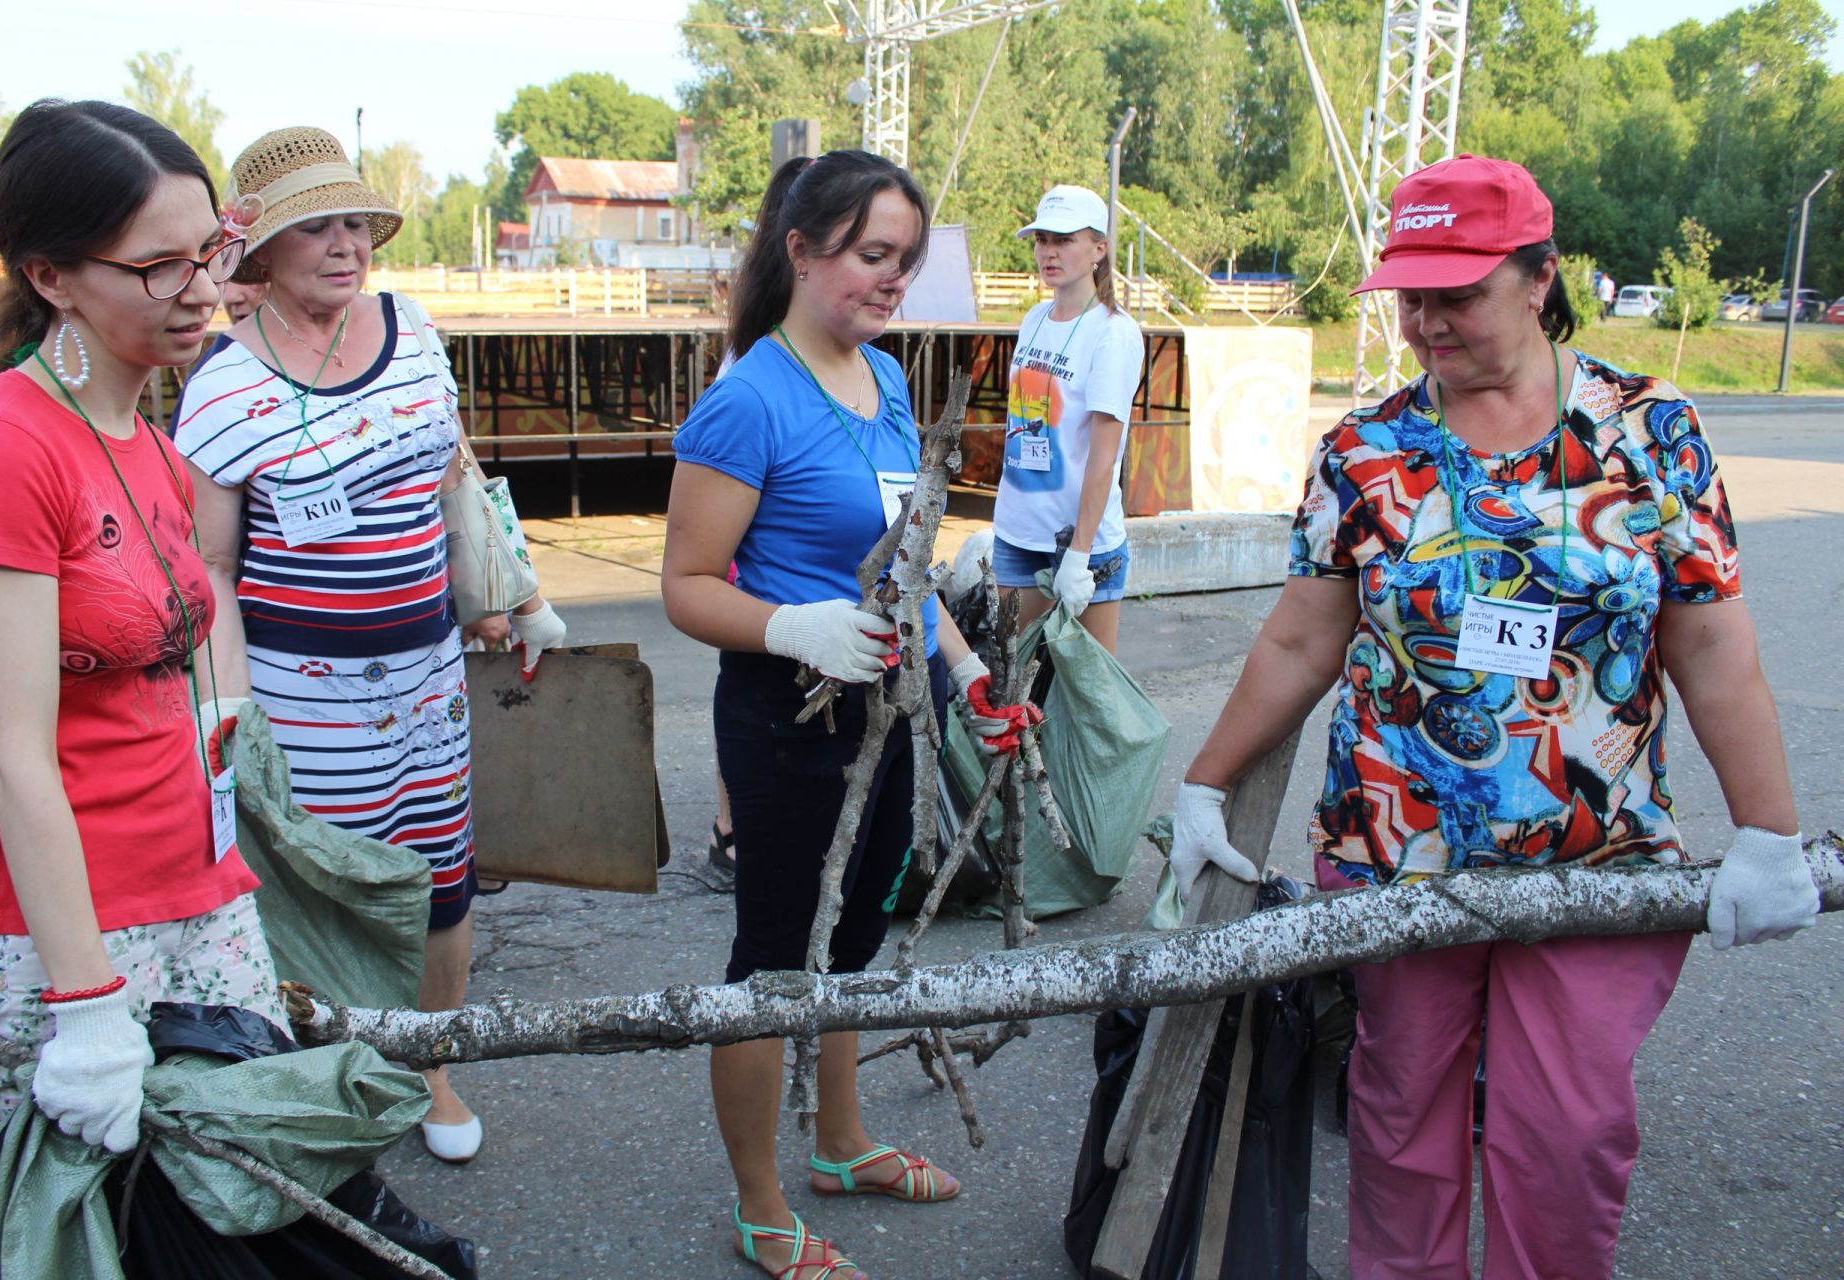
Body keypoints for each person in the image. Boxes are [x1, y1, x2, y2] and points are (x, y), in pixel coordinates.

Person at [1170, 154, 1818, 1280]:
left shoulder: (1647, 431)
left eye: (1456, 293)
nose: (1426, 322)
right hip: (1397, 856)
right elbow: (1300, 637)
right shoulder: (1367, 452)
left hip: (1597, 855)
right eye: (1410, 295)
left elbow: (1709, 640)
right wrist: (1203, 781)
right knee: (1400, 1122)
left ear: (1539, 277)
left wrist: (1768, 826)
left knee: (1565, 1137)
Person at [662, 149, 1038, 1280]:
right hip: (792, 717)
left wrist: (966, 672)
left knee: (857, 934)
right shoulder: (748, 400)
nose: (894, 282)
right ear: (801, 249)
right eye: (875, 256)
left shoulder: (884, 386)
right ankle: (762, 1203)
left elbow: (911, 568)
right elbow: (685, 584)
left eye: (907, 263)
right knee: (775, 959)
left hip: (898, 709)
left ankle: (839, 1140)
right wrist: (792, 627)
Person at [171, 126, 568, 1166]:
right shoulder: (219, 383)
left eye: (358, 222)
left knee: (442, 878)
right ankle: (338, 1063)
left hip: (429, 676)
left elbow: (453, 466)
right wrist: (226, 710)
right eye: (317, 226)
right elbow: (209, 566)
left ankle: (428, 1062)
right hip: (306, 698)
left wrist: (507, 588)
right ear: (262, 248)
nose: (347, 245)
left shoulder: (411, 325)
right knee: (329, 885)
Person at [0, 100, 284, 1154]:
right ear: (49, 276)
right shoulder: (0, 450)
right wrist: (85, 1003)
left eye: (212, 251)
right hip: (59, 936)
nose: (206, 292)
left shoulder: (143, 436)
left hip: (193, 892)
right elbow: (15, 750)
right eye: (161, 266)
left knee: (241, 1204)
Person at [993, 183, 1144, 653]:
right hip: (1017, 536)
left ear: (1099, 248)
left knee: (1088, 702)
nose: (1048, 252)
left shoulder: (1113, 333)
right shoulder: (1034, 318)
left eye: (1064, 240)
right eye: (1042, 240)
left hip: (1082, 548)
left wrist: (1078, 554)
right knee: (1013, 691)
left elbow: (1104, 458)